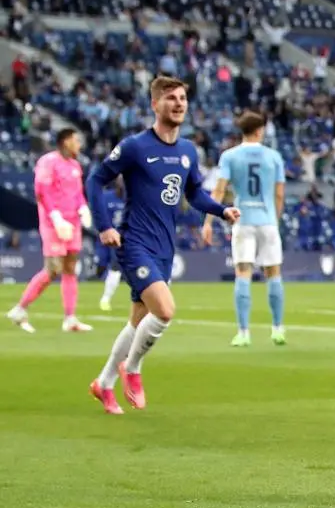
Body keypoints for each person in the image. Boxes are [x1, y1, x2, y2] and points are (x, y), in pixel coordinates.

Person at [85, 76, 240, 415]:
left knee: (137, 322)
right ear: (155, 105)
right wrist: (104, 226)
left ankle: (103, 383)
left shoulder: (187, 151)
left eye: (183, 98)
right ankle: (134, 369)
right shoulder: (135, 146)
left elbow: (195, 193)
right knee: (165, 311)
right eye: (171, 98)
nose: (179, 103)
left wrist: (221, 210)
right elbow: (95, 179)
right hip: (134, 242)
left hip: (164, 247)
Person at [201, 111, 288, 347]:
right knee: (273, 274)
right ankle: (278, 329)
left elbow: (218, 191)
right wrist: (275, 220)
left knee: (243, 273)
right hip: (267, 220)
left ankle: (243, 332)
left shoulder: (229, 156)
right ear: (260, 130)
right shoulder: (274, 157)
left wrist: (208, 221)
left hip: (243, 220)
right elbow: (279, 194)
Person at [7, 127, 94, 333]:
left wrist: (83, 208)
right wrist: (55, 217)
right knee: (53, 269)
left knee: (70, 267)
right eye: (76, 141)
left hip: (72, 222)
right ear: (65, 142)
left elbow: (78, 192)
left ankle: (70, 318)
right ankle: (20, 308)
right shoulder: (48, 162)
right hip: (53, 223)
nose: (79, 145)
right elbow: (42, 191)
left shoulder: (75, 165)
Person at [95, 177, 126, 312]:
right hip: (110, 236)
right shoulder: (107, 197)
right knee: (109, 267)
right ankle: (106, 298)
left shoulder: (137, 197)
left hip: (131, 237)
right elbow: (100, 215)